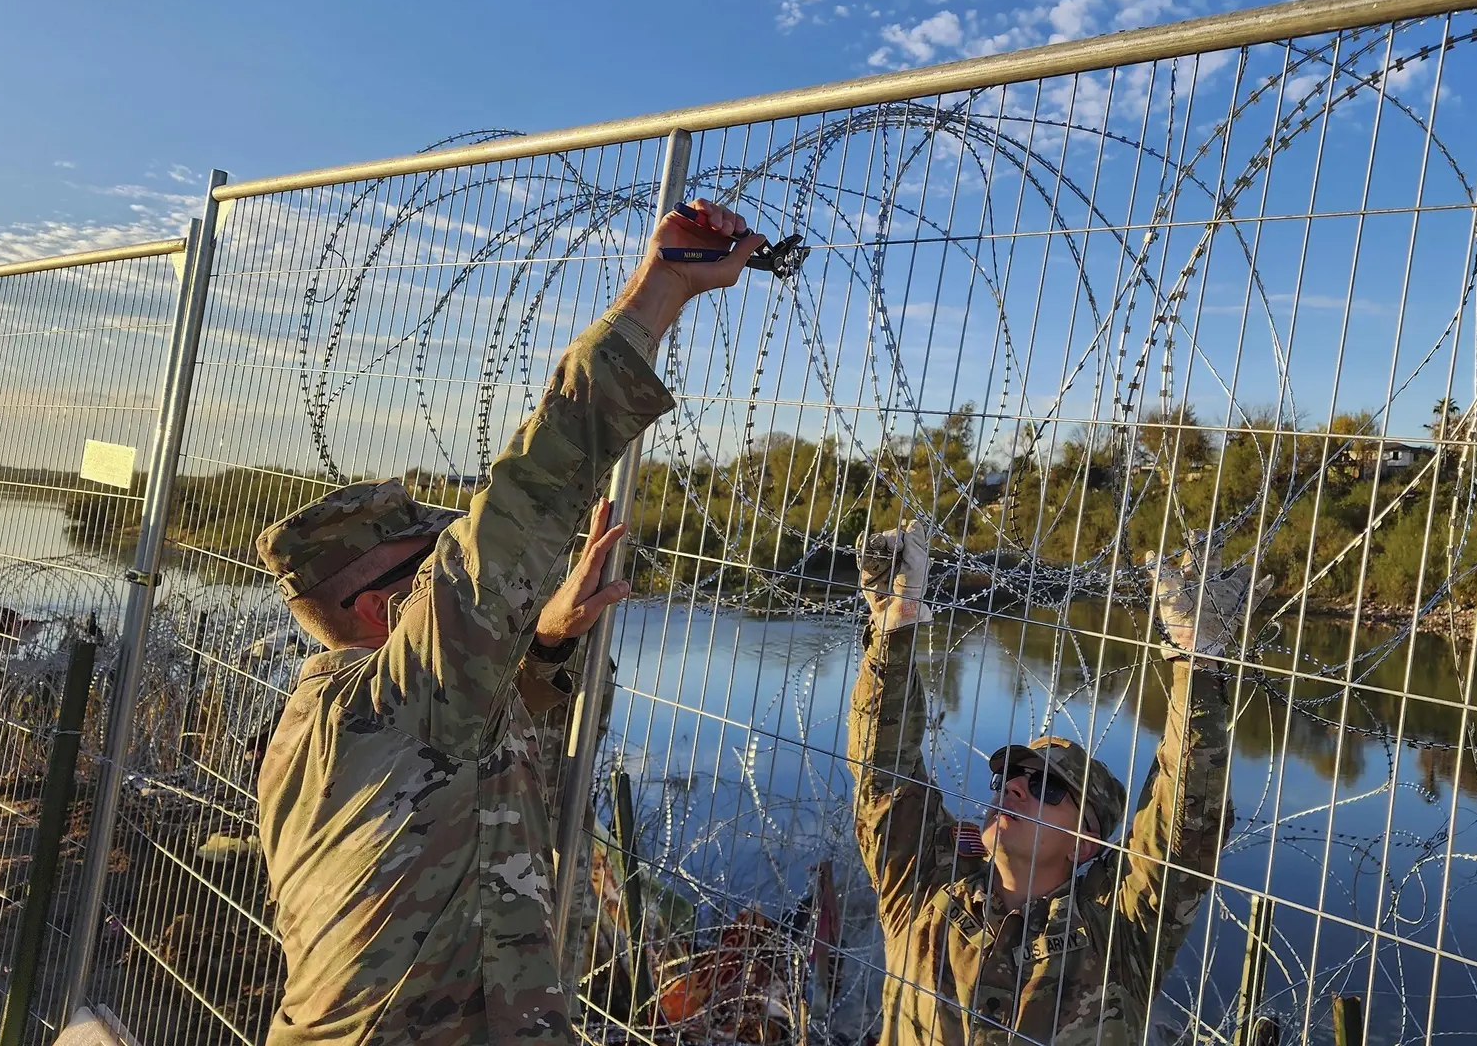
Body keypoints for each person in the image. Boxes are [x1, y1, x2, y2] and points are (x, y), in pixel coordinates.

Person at [251, 200, 766, 1044]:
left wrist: (551, 638)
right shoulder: (400, 697)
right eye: (430, 572)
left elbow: (457, 767)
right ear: (382, 610)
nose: (454, 585)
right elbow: (526, 497)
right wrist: (661, 286)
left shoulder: (334, 720)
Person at [846, 521, 1271, 1045]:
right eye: (1009, 776)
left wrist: (1197, 665)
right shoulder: (925, 890)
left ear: (1085, 842)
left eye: (1046, 788)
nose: (1012, 789)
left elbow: (1181, 829)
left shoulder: (1119, 932)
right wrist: (894, 627)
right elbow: (883, 778)